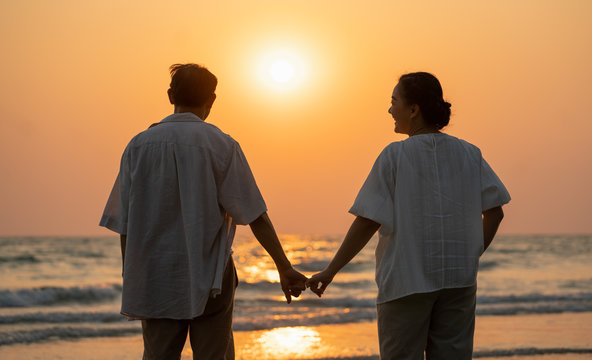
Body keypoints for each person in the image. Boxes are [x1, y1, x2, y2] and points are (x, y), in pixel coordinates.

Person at [99, 63, 307, 360]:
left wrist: (131, 274)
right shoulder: (221, 144)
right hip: (211, 275)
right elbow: (254, 213)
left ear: (170, 96)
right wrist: (283, 267)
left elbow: (125, 224)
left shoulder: (138, 146)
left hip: (157, 276)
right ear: (211, 100)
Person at [307, 72, 510, 359]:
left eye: (394, 101)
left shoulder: (395, 156)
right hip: (459, 282)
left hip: (406, 283)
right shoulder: (469, 153)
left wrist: (331, 270)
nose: (390, 109)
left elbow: (368, 220)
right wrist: (472, 253)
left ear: (413, 110)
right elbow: (495, 212)